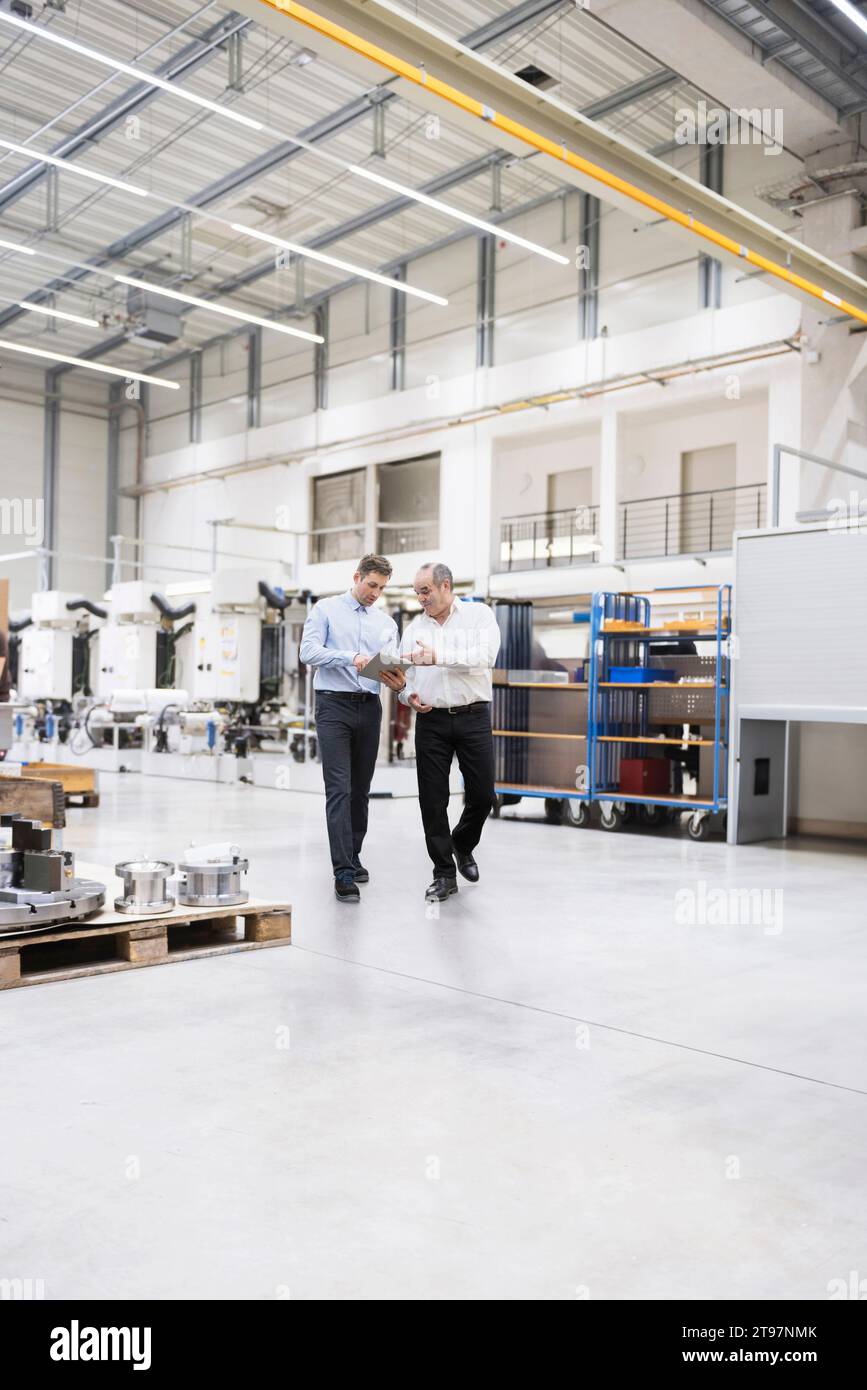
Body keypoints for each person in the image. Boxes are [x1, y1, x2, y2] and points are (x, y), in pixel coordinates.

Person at [300, 555, 406, 903]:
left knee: (361, 790)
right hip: (333, 706)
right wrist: (351, 657)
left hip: (369, 707)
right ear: (357, 577)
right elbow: (308, 651)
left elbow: (387, 667)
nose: (376, 593)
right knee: (339, 789)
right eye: (371, 585)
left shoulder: (386, 623)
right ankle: (342, 871)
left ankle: (354, 854)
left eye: (382, 588)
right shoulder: (325, 610)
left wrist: (400, 679)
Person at [399, 563, 500, 903]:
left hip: (473, 716)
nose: (420, 598)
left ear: (445, 586)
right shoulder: (414, 627)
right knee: (432, 799)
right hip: (431, 721)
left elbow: (485, 657)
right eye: (417, 592)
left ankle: (462, 843)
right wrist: (406, 695)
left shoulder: (479, 616)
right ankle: (443, 874)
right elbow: (405, 676)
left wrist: (438, 656)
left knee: (483, 794)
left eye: (425, 591)